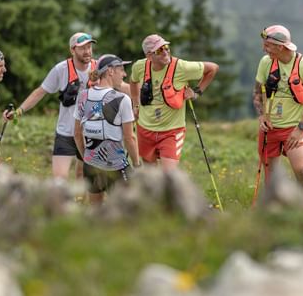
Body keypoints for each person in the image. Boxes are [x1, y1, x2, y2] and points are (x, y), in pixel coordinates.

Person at [4, 32, 97, 180]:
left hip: (91, 132)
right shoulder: (61, 69)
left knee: (84, 176)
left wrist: (134, 101)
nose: (87, 51)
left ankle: (81, 203)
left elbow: (118, 86)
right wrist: (19, 111)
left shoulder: (98, 68)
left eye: (89, 47)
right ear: (72, 50)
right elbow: (40, 92)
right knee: (59, 179)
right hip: (66, 132)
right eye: (82, 48)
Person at [129, 34, 219, 171]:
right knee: (150, 175)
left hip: (171, 131)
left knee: (169, 176)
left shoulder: (181, 67)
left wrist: (196, 92)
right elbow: (133, 81)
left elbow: (213, 68)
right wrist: (135, 104)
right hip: (145, 129)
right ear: (149, 56)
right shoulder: (139, 66)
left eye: (166, 47)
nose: (165, 52)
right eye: (159, 50)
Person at [253, 25, 303, 186]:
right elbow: (257, 92)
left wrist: (300, 128)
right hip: (269, 130)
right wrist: (262, 115)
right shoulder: (265, 63)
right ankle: (275, 208)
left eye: (267, 46)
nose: (264, 49)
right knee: (272, 178)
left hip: (294, 129)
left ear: (280, 47)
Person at [74, 54, 140, 205]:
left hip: (90, 164)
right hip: (116, 165)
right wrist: (137, 165)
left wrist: (86, 158)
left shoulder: (83, 96)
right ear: (110, 71)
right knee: (126, 213)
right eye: (121, 70)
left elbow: (77, 134)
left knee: (96, 212)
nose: (124, 74)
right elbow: (130, 138)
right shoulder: (122, 99)